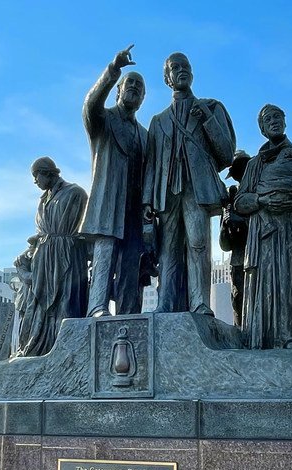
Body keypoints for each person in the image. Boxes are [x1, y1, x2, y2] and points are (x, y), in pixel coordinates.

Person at [142, 52, 236, 315]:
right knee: (167, 250)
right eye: (175, 67)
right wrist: (147, 201)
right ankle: (166, 303)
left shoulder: (212, 107)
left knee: (198, 243)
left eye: (186, 66)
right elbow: (151, 165)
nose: (181, 70)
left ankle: (200, 302)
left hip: (196, 189)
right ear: (167, 78)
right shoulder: (158, 121)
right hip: (166, 193)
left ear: (192, 74)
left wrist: (205, 118)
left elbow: (227, 153)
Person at [235, 104, 292, 350]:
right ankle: (265, 340)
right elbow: (241, 201)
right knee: (270, 285)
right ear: (262, 129)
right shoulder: (255, 165)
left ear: (285, 122)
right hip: (267, 233)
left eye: (278, 117)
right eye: (268, 119)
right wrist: (262, 200)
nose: (274, 121)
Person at [80, 44, 148, 317]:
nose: (133, 88)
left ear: (143, 98)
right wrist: (113, 70)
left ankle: (130, 311)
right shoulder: (103, 121)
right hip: (109, 201)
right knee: (105, 254)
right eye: (129, 83)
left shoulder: (145, 134)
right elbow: (90, 103)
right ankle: (97, 307)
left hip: (135, 207)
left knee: (133, 261)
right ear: (118, 90)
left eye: (139, 87)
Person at [14, 157, 89, 357]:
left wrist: (53, 241)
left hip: (67, 256)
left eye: (35, 175)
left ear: (47, 172)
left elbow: (81, 231)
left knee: (65, 302)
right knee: (38, 308)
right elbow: (42, 232)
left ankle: (64, 351)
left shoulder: (75, 193)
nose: (35, 181)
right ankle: (39, 347)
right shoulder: (43, 200)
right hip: (43, 259)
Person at [218, 151, 252, 324]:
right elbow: (224, 245)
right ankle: (240, 331)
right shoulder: (231, 196)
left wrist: (241, 221)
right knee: (238, 298)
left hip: (257, 255)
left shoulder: (258, 192)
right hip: (238, 258)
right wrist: (226, 224)